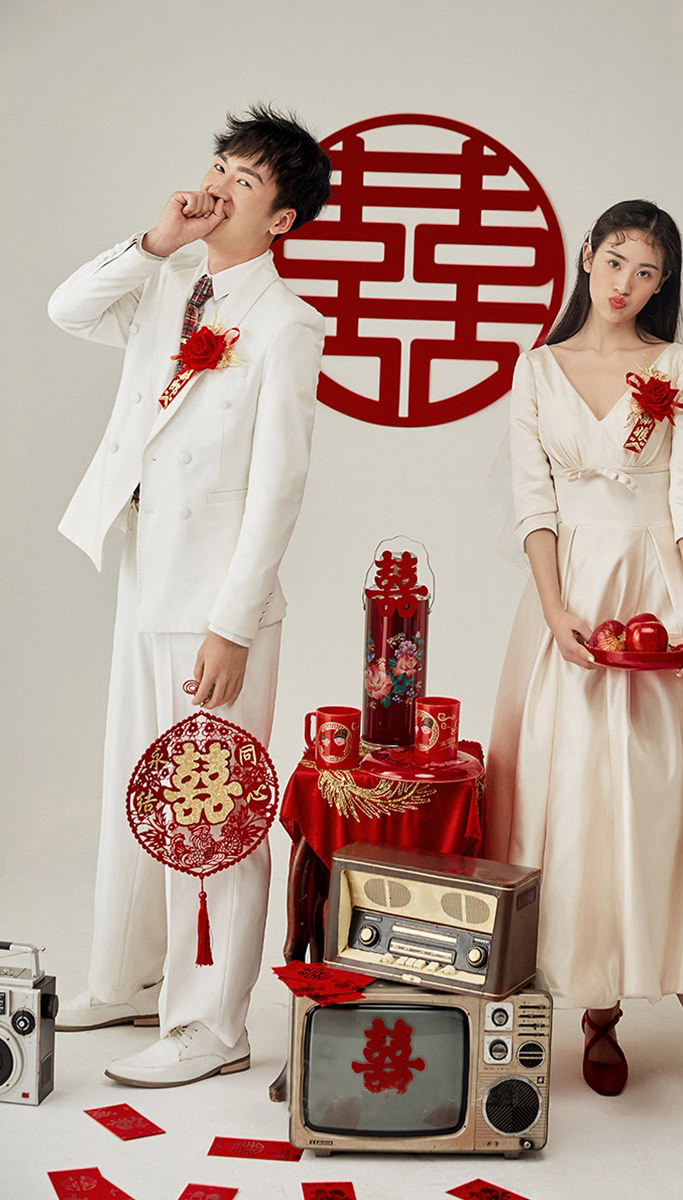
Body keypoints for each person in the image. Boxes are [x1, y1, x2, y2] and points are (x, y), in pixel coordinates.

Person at [485, 199, 683, 1124]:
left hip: (662, 589)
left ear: (664, 285)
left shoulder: (680, 366)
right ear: (586, 256)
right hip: (573, 598)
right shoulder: (537, 369)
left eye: (648, 271)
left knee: (675, 802)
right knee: (580, 795)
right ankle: (599, 1005)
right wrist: (554, 610)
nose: (626, 283)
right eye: (616, 260)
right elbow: (534, 504)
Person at [48, 104, 330, 1087]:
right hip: (142, 577)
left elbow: (279, 487)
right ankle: (132, 981)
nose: (217, 186)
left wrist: (232, 624)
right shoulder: (165, 279)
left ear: (281, 218)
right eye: (218, 166)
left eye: (243, 181)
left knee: (210, 810)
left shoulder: (288, 324)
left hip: (213, 601)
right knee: (134, 787)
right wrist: (155, 240)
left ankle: (213, 1025)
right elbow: (67, 309)